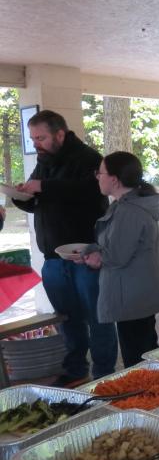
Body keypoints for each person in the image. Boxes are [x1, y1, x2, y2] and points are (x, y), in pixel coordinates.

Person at [13, 110, 117, 385]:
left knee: (99, 317)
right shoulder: (44, 161)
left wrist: (44, 187)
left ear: (60, 134)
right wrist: (22, 196)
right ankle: (76, 370)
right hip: (53, 257)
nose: (36, 143)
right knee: (67, 319)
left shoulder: (89, 158)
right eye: (33, 138)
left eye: (41, 138)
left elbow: (90, 193)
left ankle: (104, 376)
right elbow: (40, 202)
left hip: (86, 256)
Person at [79, 152, 159, 367]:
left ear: (114, 179)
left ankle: (152, 388)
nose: (97, 177)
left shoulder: (128, 210)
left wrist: (95, 257)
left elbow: (116, 255)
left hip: (133, 295)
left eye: (100, 173)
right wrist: (91, 251)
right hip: (137, 291)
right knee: (146, 348)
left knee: (137, 358)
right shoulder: (127, 204)